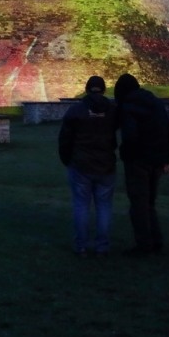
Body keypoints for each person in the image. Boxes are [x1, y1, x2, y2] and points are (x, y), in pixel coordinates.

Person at [113, 73, 169, 257]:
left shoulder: (128, 106)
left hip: (138, 161)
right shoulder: (155, 102)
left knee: (139, 204)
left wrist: (125, 154)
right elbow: (168, 131)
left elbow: (130, 136)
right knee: (149, 203)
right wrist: (167, 159)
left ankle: (144, 245)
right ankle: (156, 240)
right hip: (156, 160)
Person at [58, 75, 118, 257]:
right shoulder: (113, 110)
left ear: (86, 89)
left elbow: (65, 139)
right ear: (103, 89)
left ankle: (81, 246)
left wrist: (67, 159)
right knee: (104, 207)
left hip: (81, 164)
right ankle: (102, 246)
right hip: (106, 165)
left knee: (81, 206)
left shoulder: (76, 110)